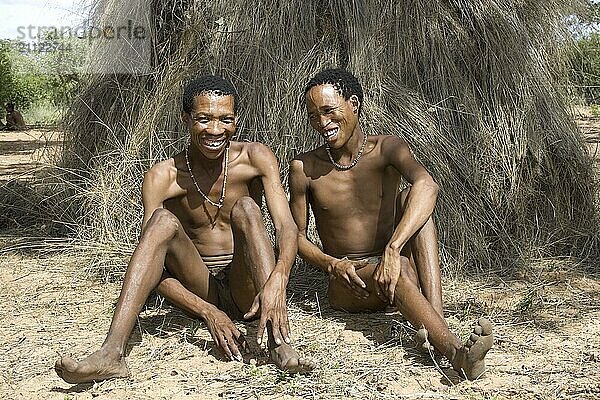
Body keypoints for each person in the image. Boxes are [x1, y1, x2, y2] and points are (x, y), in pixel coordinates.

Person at [55, 75, 315, 384]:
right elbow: (156, 269)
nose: (215, 130)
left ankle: (279, 341)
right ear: (186, 119)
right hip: (200, 284)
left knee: (247, 207)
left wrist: (277, 280)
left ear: (236, 121)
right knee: (161, 222)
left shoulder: (255, 158)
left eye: (225, 120)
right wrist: (206, 311)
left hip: (248, 287)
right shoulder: (162, 177)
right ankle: (112, 353)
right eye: (203, 119)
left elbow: (287, 227)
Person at [289, 68, 493, 380]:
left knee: (413, 197)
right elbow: (295, 237)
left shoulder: (387, 149)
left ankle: (433, 320)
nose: (322, 123)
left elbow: (428, 186)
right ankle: (455, 353)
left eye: (329, 111)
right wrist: (332, 264)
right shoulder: (305, 167)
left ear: (354, 104)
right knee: (398, 270)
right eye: (313, 115)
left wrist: (392, 249)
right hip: (350, 283)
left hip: (394, 266)